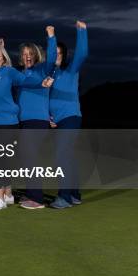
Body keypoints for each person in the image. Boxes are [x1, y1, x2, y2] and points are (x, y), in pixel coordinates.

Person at [0, 41, 53, 210]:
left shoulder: (29, 71)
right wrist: (0, 47)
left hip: (24, 122)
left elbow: (26, 80)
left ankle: (6, 198)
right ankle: (8, 194)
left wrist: (51, 37)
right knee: (10, 159)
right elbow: (16, 80)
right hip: (15, 121)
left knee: (12, 159)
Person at [16, 26, 57, 210]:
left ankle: (37, 199)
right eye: (24, 54)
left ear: (36, 55)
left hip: (37, 121)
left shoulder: (42, 70)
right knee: (27, 158)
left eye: (30, 53)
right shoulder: (20, 75)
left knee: (31, 158)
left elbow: (53, 59)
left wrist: (51, 36)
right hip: (24, 121)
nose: (28, 56)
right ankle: (32, 193)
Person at [49, 21, 88, 209]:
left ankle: (64, 197)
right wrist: (49, 116)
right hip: (56, 121)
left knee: (62, 155)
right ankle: (74, 194)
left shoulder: (70, 70)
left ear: (64, 55)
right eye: (53, 53)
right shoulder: (48, 73)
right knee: (68, 156)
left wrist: (81, 31)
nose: (56, 56)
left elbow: (82, 54)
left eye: (59, 53)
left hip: (71, 117)